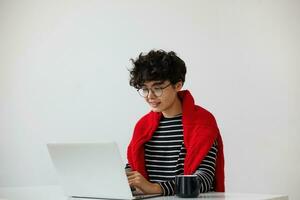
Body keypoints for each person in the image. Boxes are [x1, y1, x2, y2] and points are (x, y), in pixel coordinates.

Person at [126, 49, 225, 196]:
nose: (150, 96)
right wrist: (124, 178)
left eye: (157, 88)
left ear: (177, 86)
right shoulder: (143, 125)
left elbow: (204, 179)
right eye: (145, 89)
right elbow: (133, 167)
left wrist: (156, 188)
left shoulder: (202, 122)